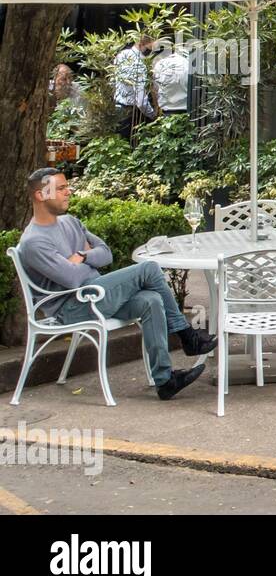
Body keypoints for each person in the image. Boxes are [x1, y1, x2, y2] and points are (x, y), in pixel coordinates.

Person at [16, 168, 216, 400]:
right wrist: (87, 263)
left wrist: (82, 255)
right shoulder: (34, 242)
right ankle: (186, 335)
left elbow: (106, 254)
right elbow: (71, 279)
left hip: (96, 294)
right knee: (149, 268)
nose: (68, 192)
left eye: (67, 186)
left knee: (150, 300)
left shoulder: (70, 222)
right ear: (40, 195)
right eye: (60, 189)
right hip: (73, 308)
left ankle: (165, 381)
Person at [113, 35, 156, 140]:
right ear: (143, 44)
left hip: (118, 108)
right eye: (150, 48)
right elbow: (141, 101)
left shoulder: (121, 55)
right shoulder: (139, 64)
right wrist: (152, 114)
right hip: (132, 115)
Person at [152, 44, 190, 116]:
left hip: (167, 110)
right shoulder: (186, 62)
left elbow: (156, 89)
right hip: (185, 108)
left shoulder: (159, 65)